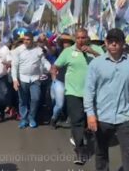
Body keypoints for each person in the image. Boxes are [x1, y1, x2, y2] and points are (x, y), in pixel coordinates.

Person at [84, 28, 129, 171]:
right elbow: (89, 91)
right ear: (106, 43)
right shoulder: (96, 64)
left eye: (117, 41)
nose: (113, 44)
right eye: (110, 41)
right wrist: (90, 114)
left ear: (123, 44)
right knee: (101, 152)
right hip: (102, 116)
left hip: (127, 116)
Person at [52, 28, 103, 165]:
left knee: (90, 121)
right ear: (75, 39)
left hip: (93, 93)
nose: (81, 40)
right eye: (78, 38)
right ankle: (80, 150)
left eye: (84, 37)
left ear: (88, 38)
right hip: (73, 92)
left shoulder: (96, 49)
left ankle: (86, 134)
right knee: (77, 121)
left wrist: (92, 52)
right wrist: (54, 78)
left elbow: (106, 62)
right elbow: (55, 65)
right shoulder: (68, 52)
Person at [11, 32, 51, 129]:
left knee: (36, 98)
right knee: (23, 101)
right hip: (22, 79)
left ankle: (32, 117)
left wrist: (50, 68)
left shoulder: (38, 50)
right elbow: (14, 66)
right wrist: (15, 80)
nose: (26, 41)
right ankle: (23, 119)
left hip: (35, 79)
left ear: (32, 40)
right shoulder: (17, 50)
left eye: (28, 39)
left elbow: (44, 61)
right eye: (25, 39)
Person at [49, 34, 74, 129]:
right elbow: (50, 48)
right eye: (63, 42)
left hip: (72, 82)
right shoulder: (59, 51)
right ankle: (54, 118)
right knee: (59, 104)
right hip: (60, 81)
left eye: (67, 41)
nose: (65, 43)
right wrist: (54, 78)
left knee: (70, 103)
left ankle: (68, 119)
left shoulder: (76, 53)